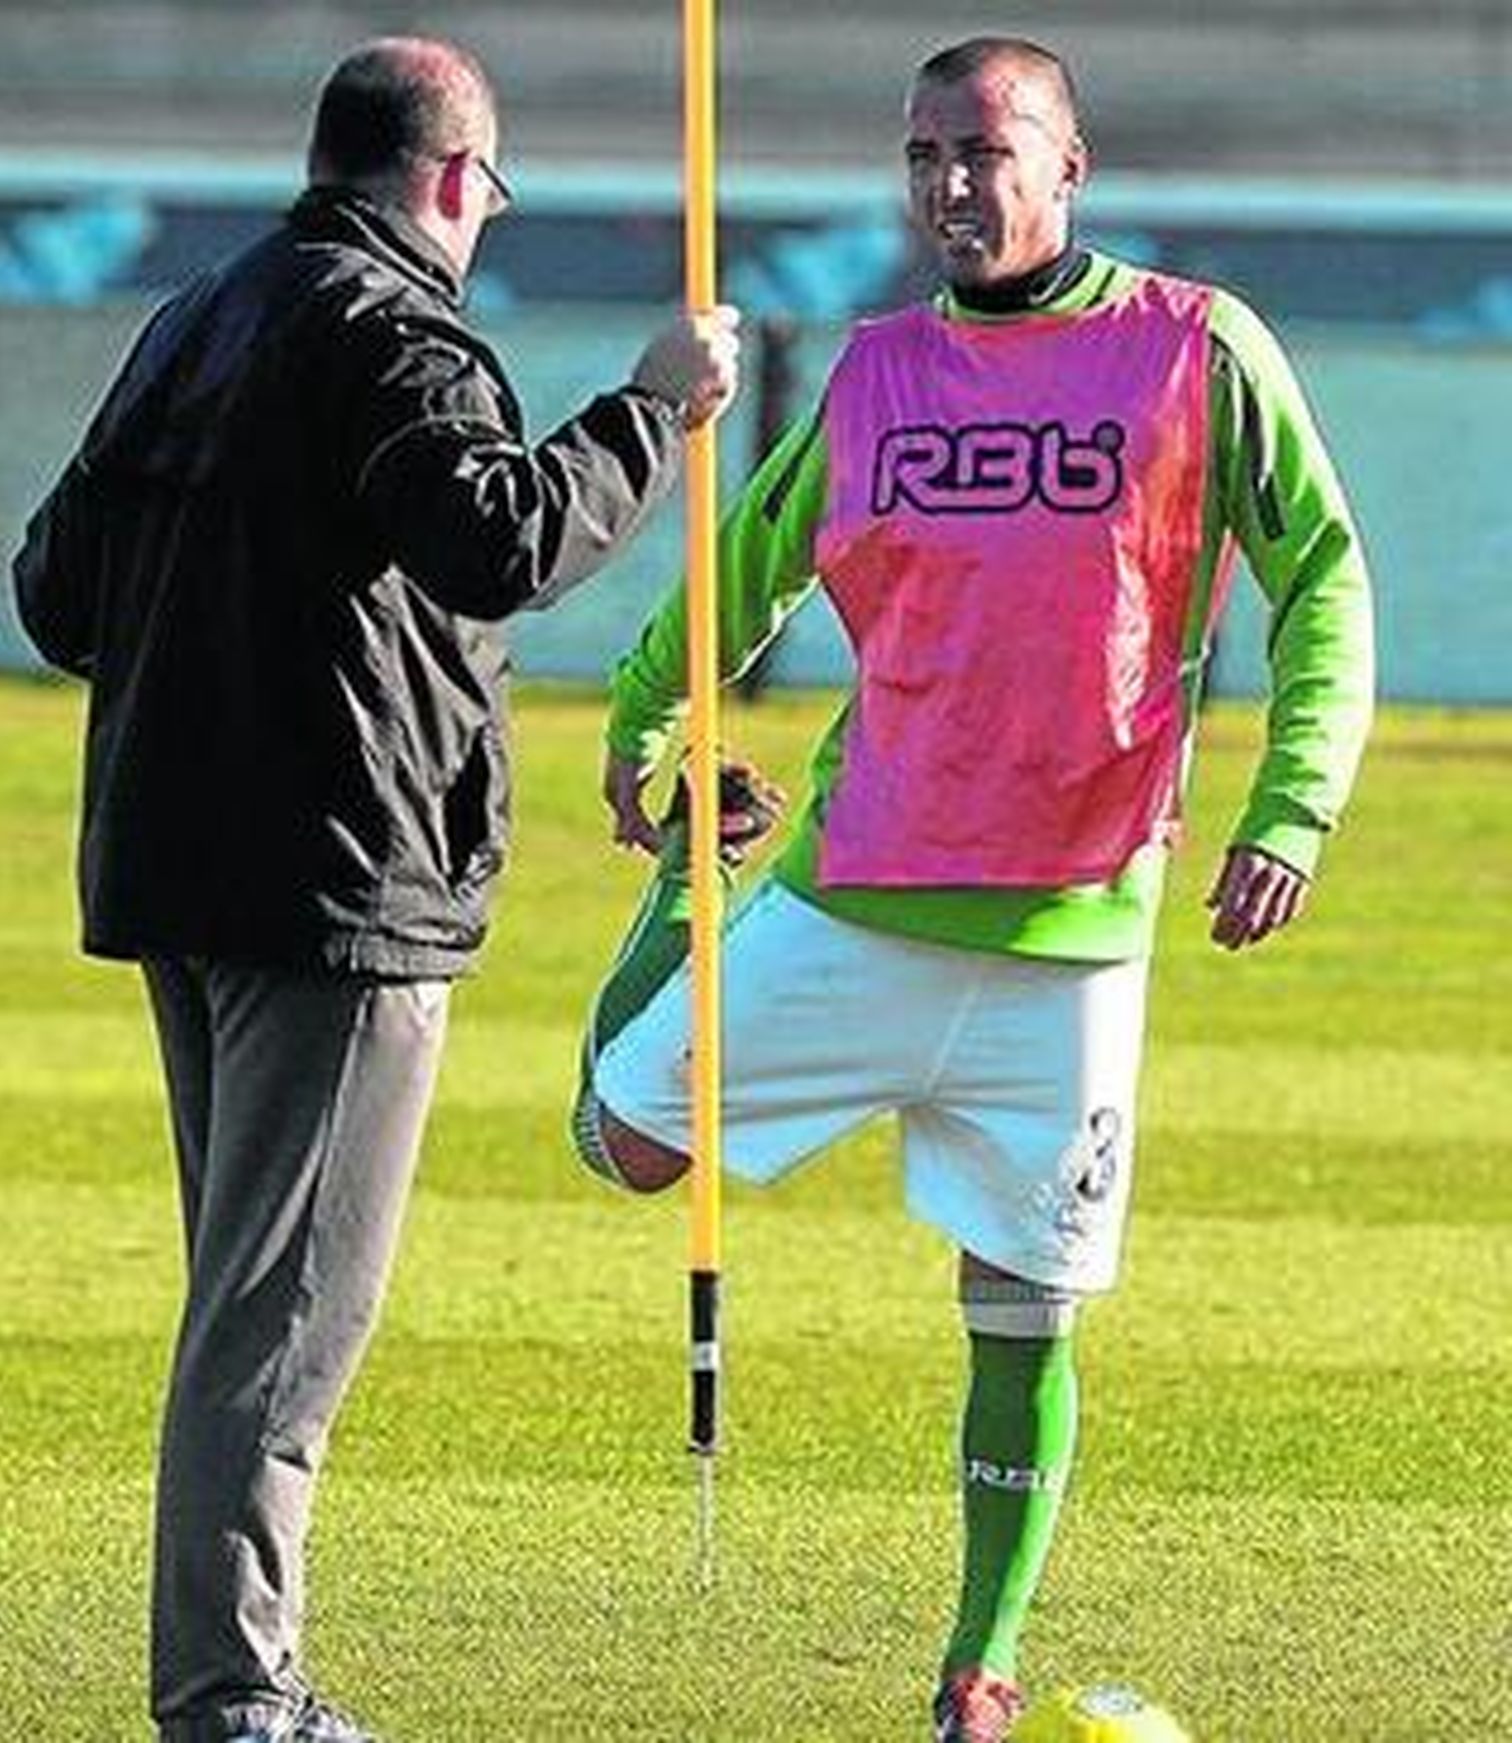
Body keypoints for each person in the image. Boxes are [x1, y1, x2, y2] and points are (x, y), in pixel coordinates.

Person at [570, 35, 1373, 1743]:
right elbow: (748, 569)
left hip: (1073, 940)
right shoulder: (871, 372)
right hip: (855, 897)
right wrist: (648, 718)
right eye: (925, 153)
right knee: (619, 1143)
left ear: (1068, 166)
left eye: (988, 152)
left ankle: (976, 1672)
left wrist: (1292, 809)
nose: (952, 183)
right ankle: (685, 909)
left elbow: (1323, 578)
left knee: (1022, 1313)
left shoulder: (1196, 350)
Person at [13, 34, 738, 1743]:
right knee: (280, 1323)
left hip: (175, 870)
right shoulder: (399, 329)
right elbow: (501, 541)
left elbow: (56, 596)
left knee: (246, 1294)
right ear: (450, 179)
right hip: (332, 887)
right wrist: (653, 407)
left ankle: (232, 1680)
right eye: (488, 193)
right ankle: (232, 1693)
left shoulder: (196, 317)